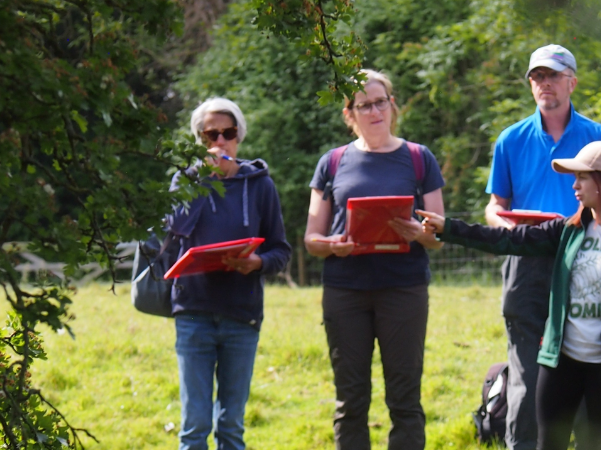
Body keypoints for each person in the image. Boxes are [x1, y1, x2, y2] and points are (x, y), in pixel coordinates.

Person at [418, 141, 601, 450]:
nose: (574, 185)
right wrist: (448, 228)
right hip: (560, 365)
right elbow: (507, 240)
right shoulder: (567, 230)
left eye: (582, 177)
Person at [304, 69, 446, 449]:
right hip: (345, 291)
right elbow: (311, 239)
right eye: (362, 105)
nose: (373, 110)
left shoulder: (419, 158)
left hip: (404, 289)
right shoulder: (332, 162)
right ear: (349, 114)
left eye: (379, 101)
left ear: (392, 105)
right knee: (350, 400)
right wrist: (333, 244)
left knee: (405, 398)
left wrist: (422, 234)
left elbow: (438, 236)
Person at [483, 44, 601, 450]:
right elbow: (495, 206)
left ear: (572, 81)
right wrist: (506, 226)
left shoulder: (598, 137)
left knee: (582, 365)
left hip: (585, 263)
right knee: (528, 373)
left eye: (553, 76)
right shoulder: (511, 139)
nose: (544, 84)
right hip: (525, 263)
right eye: (537, 77)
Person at [166, 97, 292, 450]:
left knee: (232, 426)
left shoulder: (261, 185)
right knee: (195, 426)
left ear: (239, 136)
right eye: (210, 135)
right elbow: (175, 229)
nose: (220, 142)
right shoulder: (185, 180)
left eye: (228, 132)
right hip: (193, 312)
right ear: (200, 140)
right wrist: (201, 181)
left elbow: (281, 250)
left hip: (242, 314)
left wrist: (257, 264)